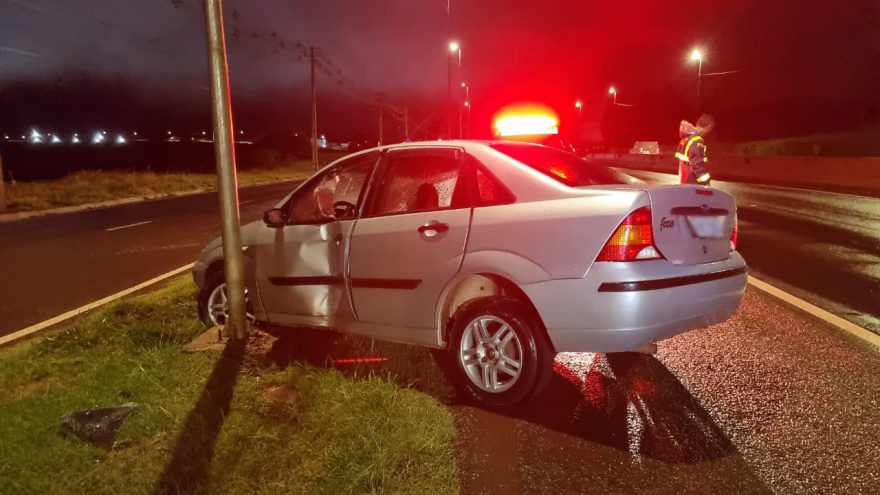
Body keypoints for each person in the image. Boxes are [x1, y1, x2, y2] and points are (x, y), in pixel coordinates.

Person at [675, 114, 714, 185]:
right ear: (709, 126)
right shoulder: (697, 140)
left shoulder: (687, 138)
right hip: (692, 182)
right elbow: (696, 164)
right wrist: (705, 181)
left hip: (685, 180)